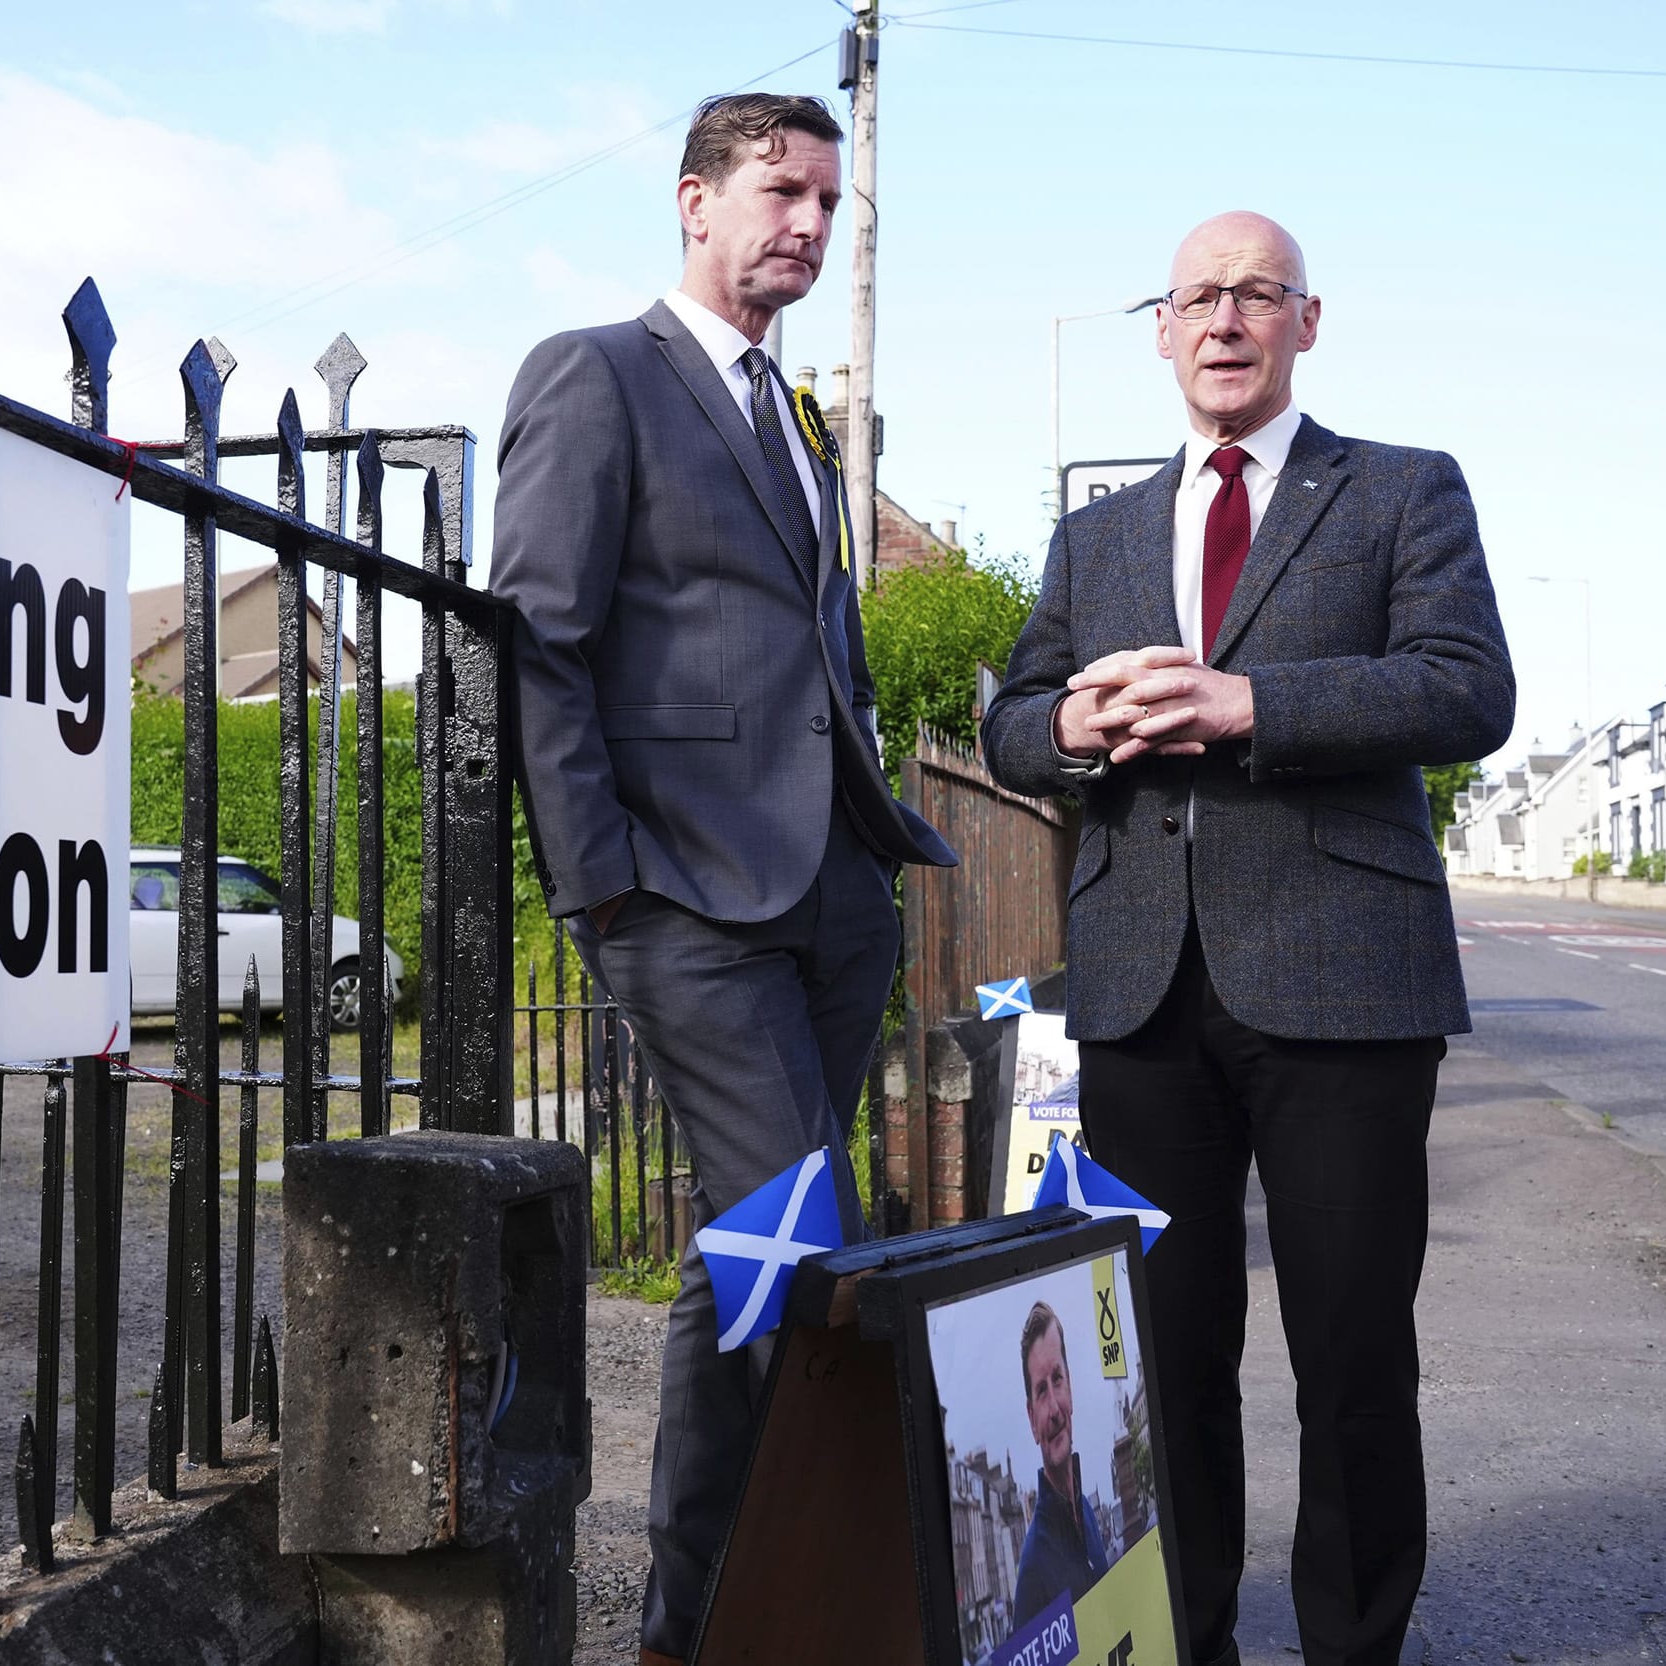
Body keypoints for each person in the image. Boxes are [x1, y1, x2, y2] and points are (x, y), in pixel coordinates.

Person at [980, 211, 1514, 1666]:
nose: (1225, 320)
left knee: (1349, 1356)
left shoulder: (1401, 491)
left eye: (1255, 295)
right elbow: (1011, 717)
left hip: (1345, 974)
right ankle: (1183, 1639)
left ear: (1307, 320)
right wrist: (1076, 724)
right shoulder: (1094, 533)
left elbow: (1467, 690)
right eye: (1197, 297)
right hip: (1142, 986)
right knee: (1164, 1358)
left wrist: (1248, 707)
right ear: (1162, 328)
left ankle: (1352, 1645)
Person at [488, 92, 957, 1665]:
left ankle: (711, 1620)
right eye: (781, 191)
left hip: (831, 892)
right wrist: (601, 882)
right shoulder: (596, 374)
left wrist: (870, 846)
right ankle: (724, 1627)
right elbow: (535, 642)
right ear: (696, 200)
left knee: (745, 1264)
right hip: (685, 895)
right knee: (798, 1244)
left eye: (832, 202)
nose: (812, 224)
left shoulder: (806, 419)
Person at [1011, 1301, 1113, 1624]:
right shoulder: (1033, 1570)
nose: (1054, 1408)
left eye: (1057, 1379)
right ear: (1031, 1418)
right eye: (1041, 1391)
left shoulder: (1086, 1513)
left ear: (1070, 1385)